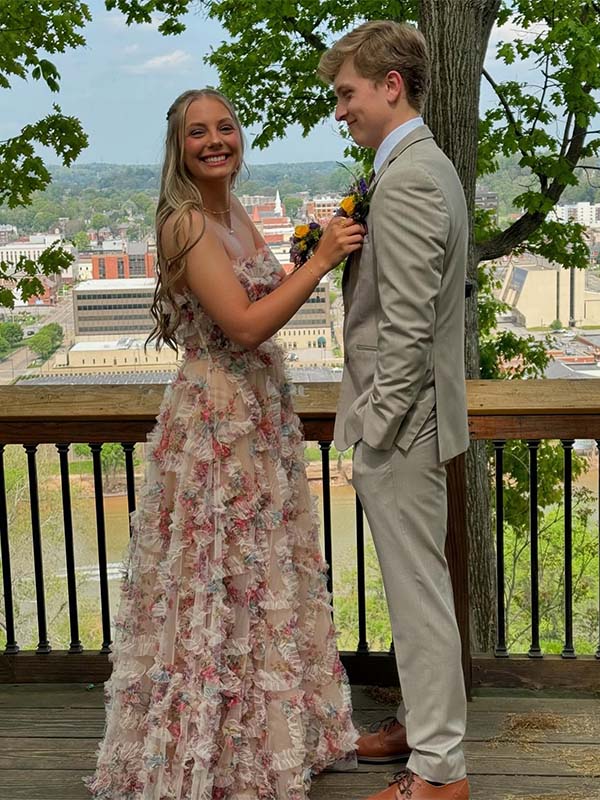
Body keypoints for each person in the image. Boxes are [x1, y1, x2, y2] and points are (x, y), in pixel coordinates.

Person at [85, 87, 362, 800]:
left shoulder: (233, 209)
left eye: (226, 127)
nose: (216, 141)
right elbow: (243, 325)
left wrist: (305, 251)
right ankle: (207, 749)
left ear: (240, 137)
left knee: (257, 570)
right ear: (179, 149)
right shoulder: (185, 224)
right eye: (198, 132)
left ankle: (263, 737)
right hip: (216, 420)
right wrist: (321, 259)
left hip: (258, 414)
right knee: (213, 570)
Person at [318, 20, 470, 800]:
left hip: (403, 427)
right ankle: (421, 723)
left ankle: (440, 772)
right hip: (411, 422)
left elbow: (407, 327)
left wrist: (375, 435)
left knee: (417, 599)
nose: (340, 110)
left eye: (347, 94)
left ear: (390, 85)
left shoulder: (409, 176)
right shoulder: (415, 166)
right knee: (419, 590)